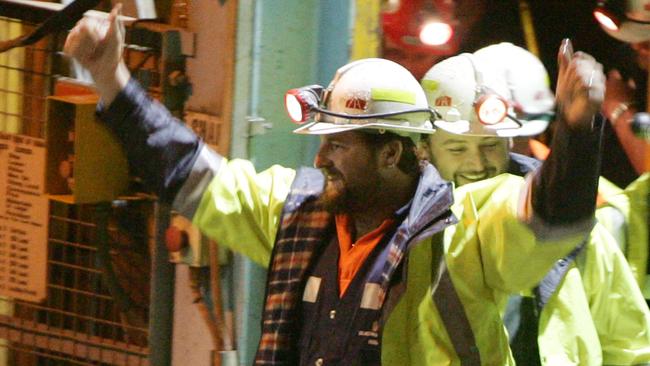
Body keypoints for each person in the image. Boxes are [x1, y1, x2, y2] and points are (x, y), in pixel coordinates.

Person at [64, 5, 605, 365]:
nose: (321, 157)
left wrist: (579, 132)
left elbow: (547, 223)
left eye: (339, 146)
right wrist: (113, 80)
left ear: (391, 151)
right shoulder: (302, 212)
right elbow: (198, 177)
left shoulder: (458, 231)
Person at [420, 42, 650, 365]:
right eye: (457, 149)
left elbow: (631, 347)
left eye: (489, 145)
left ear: (510, 141)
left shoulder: (576, 227)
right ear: (423, 149)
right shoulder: (412, 236)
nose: (476, 164)